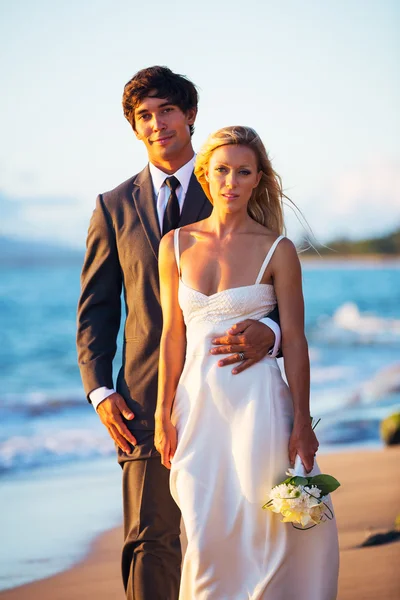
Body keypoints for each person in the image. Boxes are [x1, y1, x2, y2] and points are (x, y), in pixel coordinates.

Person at [77, 67, 281, 600]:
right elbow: (97, 309)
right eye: (143, 116)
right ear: (134, 128)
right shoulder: (112, 206)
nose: (156, 123)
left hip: (236, 390)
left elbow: (274, 284)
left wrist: (270, 333)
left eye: (166, 110)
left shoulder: (233, 181)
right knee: (151, 540)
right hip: (145, 399)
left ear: (190, 115)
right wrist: (100, 389)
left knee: (238, 533)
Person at [155, 125, 339, 600]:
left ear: (259, 179)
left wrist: (302, 421)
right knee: (201, 527)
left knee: (264, 529)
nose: (231, 182)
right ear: (203, 175)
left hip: (259, 408)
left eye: (243, 172)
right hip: (194, 411)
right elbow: (172, 335)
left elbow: (295, 342)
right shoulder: (174, 245)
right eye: (221, 171)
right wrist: (162, 413)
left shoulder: (277, 250)